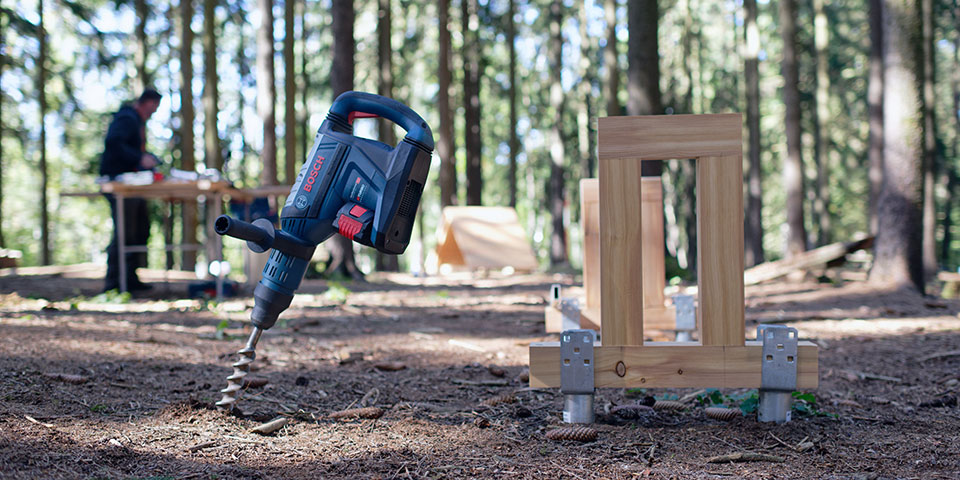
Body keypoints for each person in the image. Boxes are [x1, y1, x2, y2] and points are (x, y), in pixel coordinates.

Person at [100, 89, 162, 292]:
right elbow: (113, 143)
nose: (152, 114)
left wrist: (146, 159)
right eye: (152, 109)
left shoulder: (136, 121)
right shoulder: (127, 118)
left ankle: (130, 278)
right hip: (119, 185)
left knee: (141, 229)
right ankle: (113, 283)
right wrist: (138, 158)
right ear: (145, 103)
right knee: (125, 232)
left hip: (133, 186)